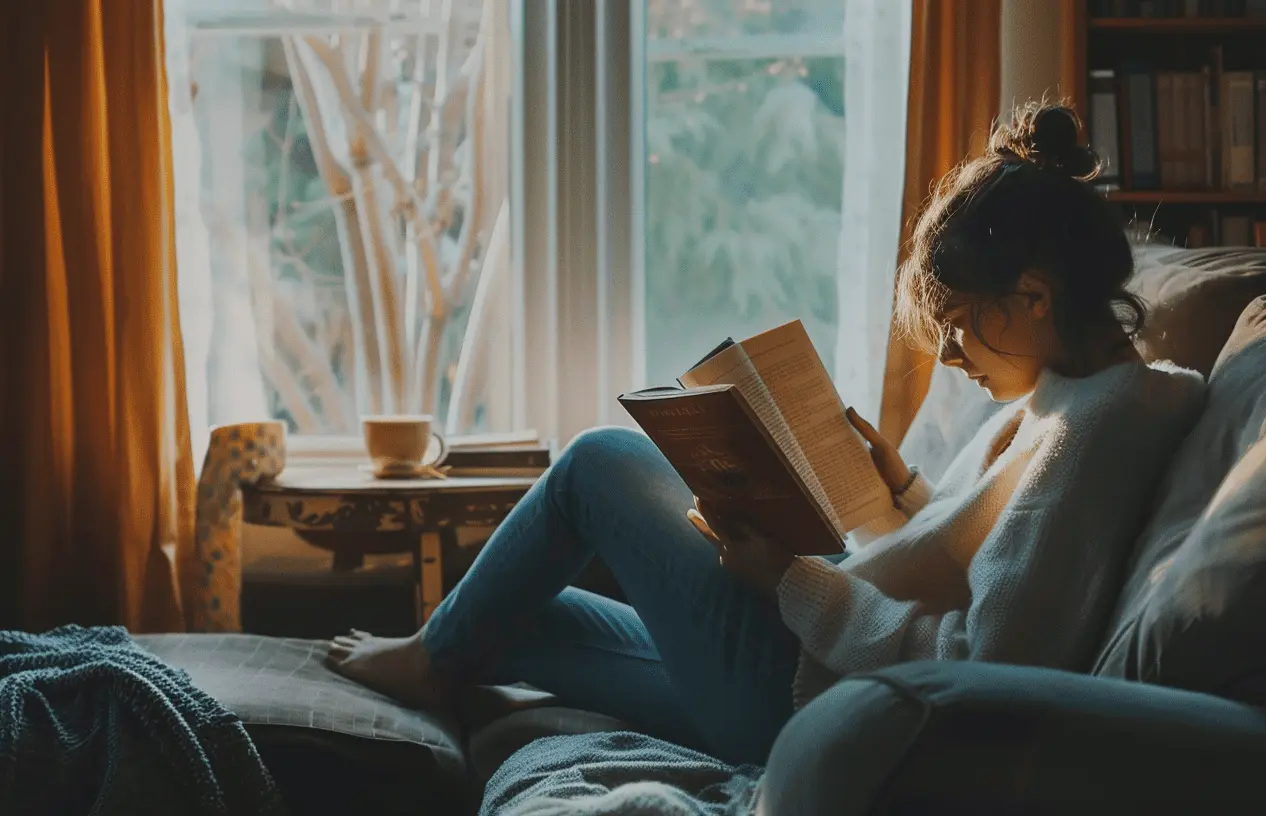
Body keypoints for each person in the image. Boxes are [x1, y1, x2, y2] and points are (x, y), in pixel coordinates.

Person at [325, 101, 1208, 768]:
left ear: (1035, 294)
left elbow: (983, 662)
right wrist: (898, 493)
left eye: (959, 323)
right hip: (801, 675)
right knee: (508, 610)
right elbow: (977, 569)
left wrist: (790, 581)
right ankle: (442, 658)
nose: (947, 354)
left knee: (598, 464)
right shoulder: (1071, 404)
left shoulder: (1096, 429)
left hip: (804, 690)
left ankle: (430, 663)